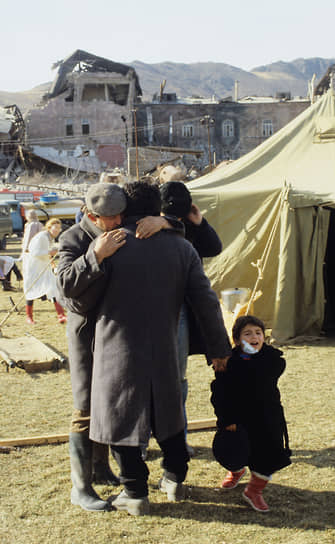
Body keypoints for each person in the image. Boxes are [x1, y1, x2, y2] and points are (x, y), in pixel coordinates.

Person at [71, 181, 231, 516]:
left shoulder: (109, 245)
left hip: (116, 344)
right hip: (164, 343)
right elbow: (206, 302)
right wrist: (219, 348)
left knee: (120, 417)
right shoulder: (181, 247)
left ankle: (135, 492)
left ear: (123, 209)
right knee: (168, 414)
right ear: (158, 208)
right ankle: (174, 477)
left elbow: (78, 300)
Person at [57, 182, 185, 512]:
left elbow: (187, 230)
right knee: (86, 407)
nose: (116, 224)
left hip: (118, 336)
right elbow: (64, 288)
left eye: (120, 216)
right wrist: (95, 255)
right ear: (89, 215)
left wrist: (167, 222)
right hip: (88, 338)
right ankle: (81, 486)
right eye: (108, 218)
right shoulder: (73, 238)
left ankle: (102, 468)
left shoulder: (129, 229)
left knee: (112, 407)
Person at [157, 180, 223, 455]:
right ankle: (143, 442)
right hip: (152, 309)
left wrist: (199, 221)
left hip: (181, 310)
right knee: (147, 377)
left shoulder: (186, 229)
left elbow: (214, 247)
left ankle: (177, 439)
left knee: (177, 379)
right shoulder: (148, 227)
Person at [210, 315, 292, 513]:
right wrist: (227, 419)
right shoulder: (228, 363)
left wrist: (246, 358)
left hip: (266, 418)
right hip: (238, 419)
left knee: (268, 456)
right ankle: (236, 470)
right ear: (237, 340)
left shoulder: (272, 360)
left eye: (258, 333)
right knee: (234, 451)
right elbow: (220, 395)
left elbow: (264, 371)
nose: (254, 337)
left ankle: (253, 491)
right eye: (247, 334)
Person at [23, 218, 66, 325]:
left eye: (58, 228)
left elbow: (47, 253)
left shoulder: (49, 237)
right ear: (49, 227)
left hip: (44, 267)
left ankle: (61, 315)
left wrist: (52, 262)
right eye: (55, 228)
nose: (57, 230)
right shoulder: (42, 237)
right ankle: (29, 317)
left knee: (53, 288)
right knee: (31, 291)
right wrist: (50, 252)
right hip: (33, 268)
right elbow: (35, 252)